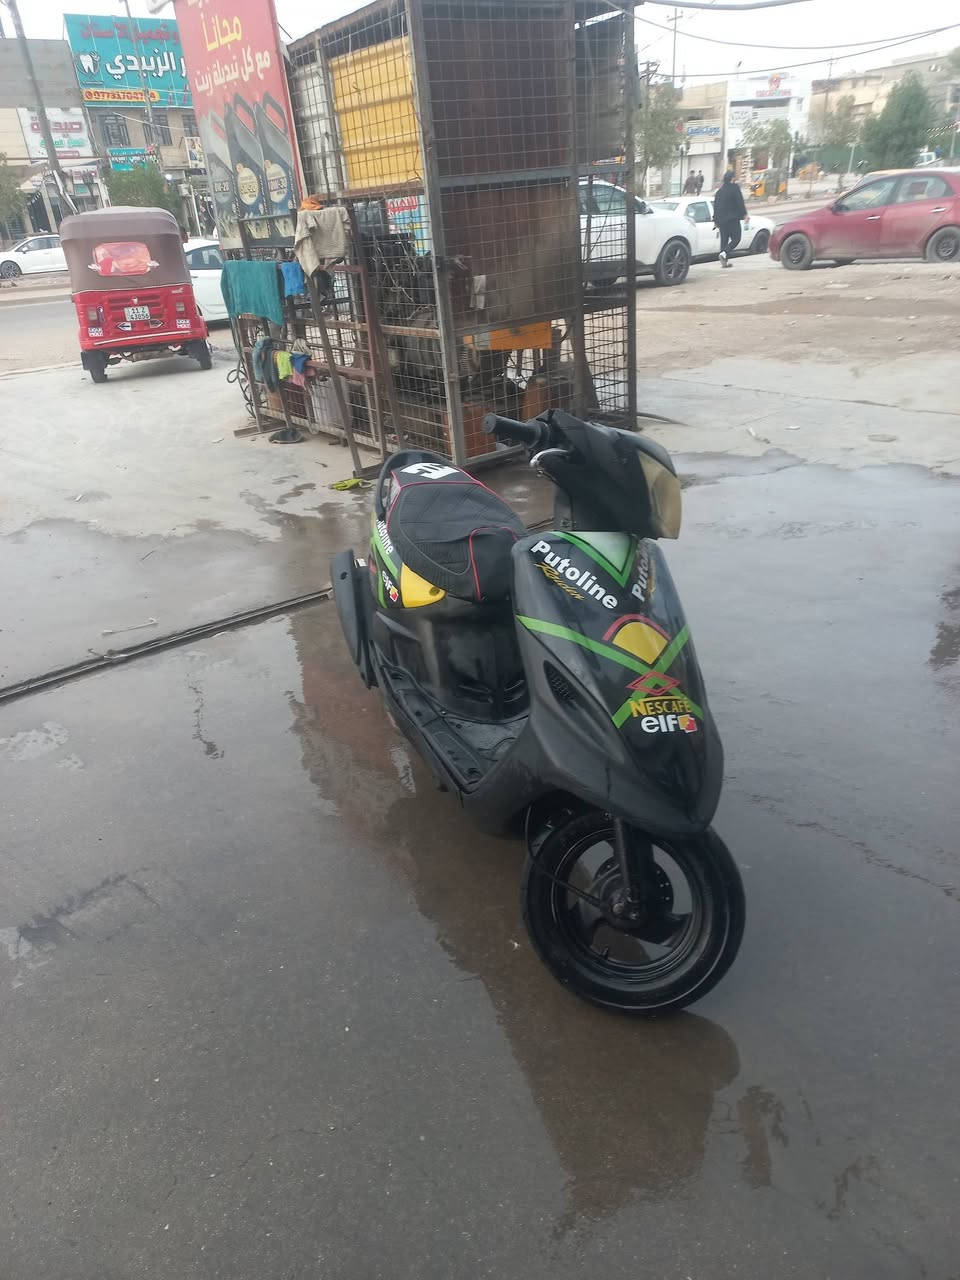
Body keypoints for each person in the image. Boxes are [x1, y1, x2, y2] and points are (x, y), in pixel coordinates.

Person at [713, 169, 747, 267]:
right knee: (736, 238)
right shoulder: (735, 188)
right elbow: (740, 202)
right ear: (732, 178)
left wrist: (715, 220)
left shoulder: (719, 191)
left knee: (724, 240)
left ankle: (724, 262)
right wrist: (745, 214)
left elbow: (716, 206)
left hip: (721, 221)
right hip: (732, 219)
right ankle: (724, 253)